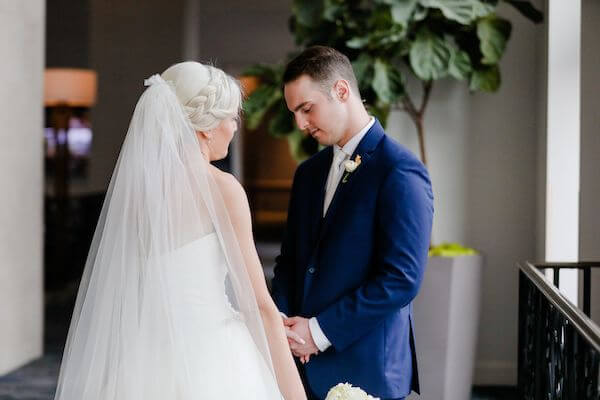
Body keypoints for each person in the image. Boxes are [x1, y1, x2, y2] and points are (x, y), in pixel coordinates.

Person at [53, 61, 306, 400]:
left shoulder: (137, 195)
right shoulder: (224, 189)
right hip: (214, 358)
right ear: (208, 127)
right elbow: (258, 307)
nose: (234, 127)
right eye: (232, 117)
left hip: (143, 358)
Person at [271, 46, 434, 400]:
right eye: (294, 113)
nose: (300, 124)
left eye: (307, 108)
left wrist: (318, 331)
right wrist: (282, 325)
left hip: (366, 369)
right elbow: (291, 261)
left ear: (341, 91)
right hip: (298, 368)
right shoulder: (308, 173)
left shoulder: (399, 171)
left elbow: (401, 279)